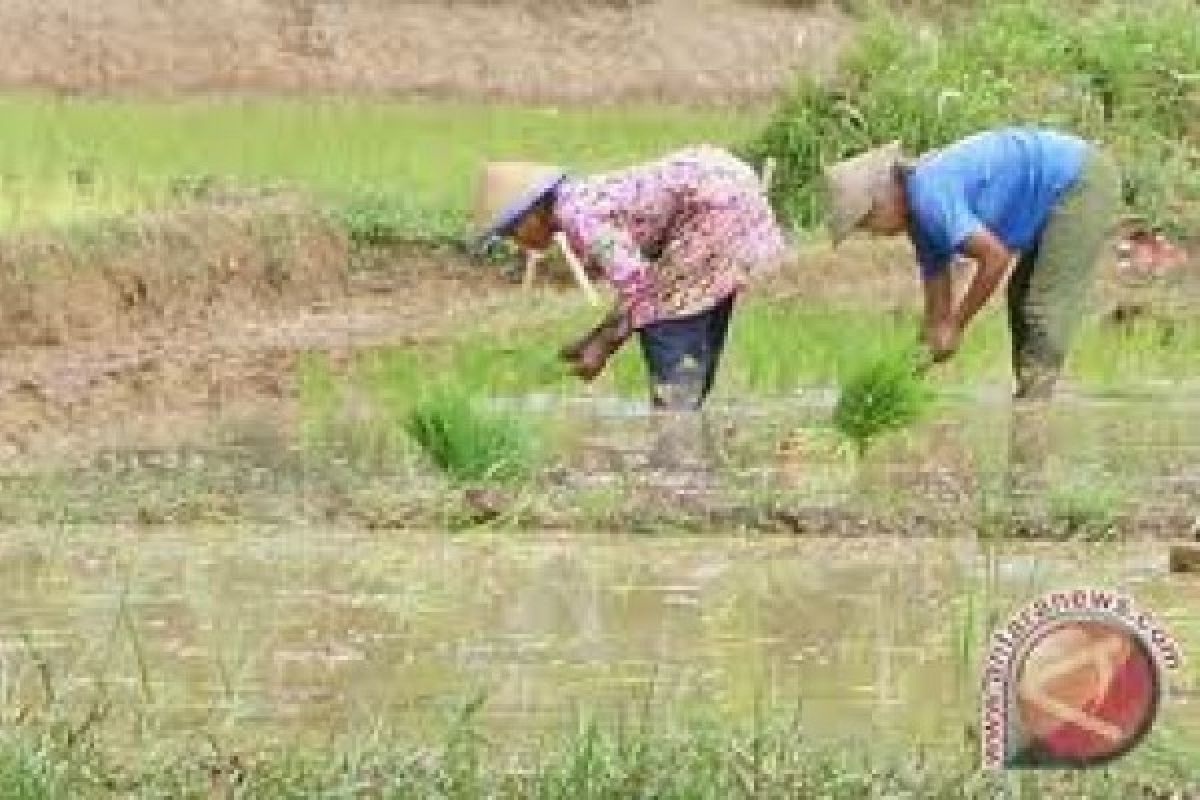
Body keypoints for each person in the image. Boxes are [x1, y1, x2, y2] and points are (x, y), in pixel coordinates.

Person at [472, 145, 788, 411]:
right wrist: (597, 336)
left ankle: (676, 445)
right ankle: (686, 426)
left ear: (530, 216)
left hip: (715, 205)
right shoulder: (581, 198)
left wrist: (603, 345)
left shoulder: (578, 215)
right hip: (730, 184)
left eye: (512, 233)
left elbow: (640, 286)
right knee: (690, 313)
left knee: (667, 319)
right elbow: (642, 283)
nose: (518, 243)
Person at [823, 127, 1121, 401]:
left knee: (1043, 305)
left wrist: (957, 324)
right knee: (1020, 296)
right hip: (1058, 184)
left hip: (1079, 181)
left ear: (884, 198)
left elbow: (995, 258)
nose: (874, 233)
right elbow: (937, 316)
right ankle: (1030, 395)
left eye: (867, 223)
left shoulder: (929, 197)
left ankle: (1034, 409)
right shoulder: (922, 226)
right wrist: (907, 373)